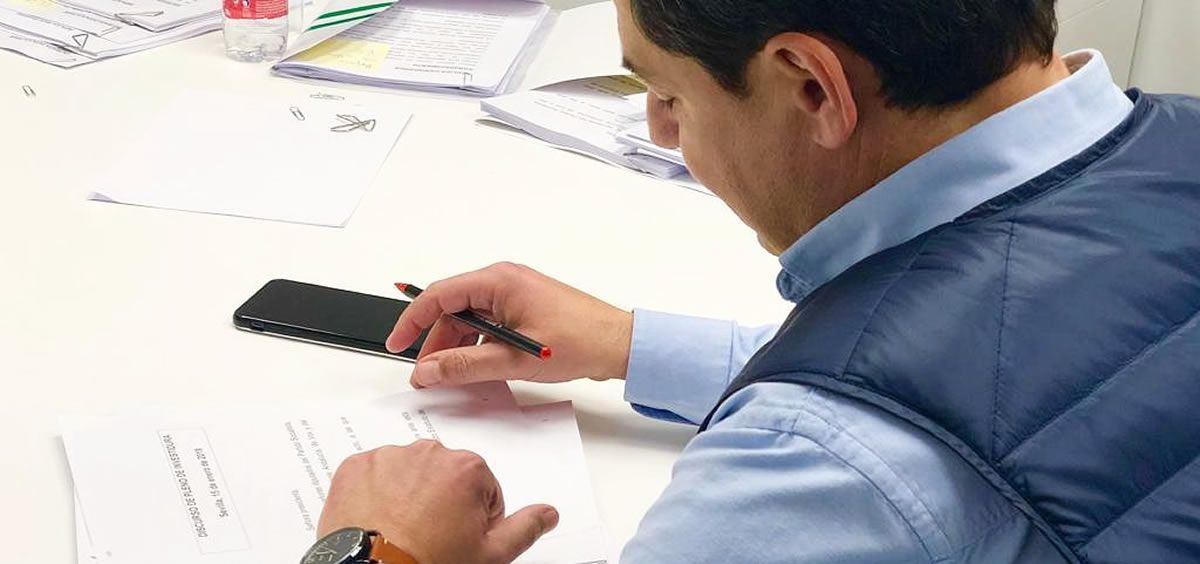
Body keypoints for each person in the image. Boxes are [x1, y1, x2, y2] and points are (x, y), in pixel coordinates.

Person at [313, 0, 1200, 562]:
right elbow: (1058, 380)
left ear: (811, 86)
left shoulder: (808, 471)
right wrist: (629, 344)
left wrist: (378, 552)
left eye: (668, 94)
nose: (661, 132)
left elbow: (875, 439)